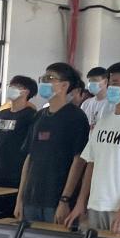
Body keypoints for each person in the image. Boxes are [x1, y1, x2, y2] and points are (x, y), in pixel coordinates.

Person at [66, 61, 120, 234]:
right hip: (96, 204)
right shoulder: (103, 121)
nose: (109, 88)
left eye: (115, 83)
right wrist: (81, 201)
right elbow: (91, 163)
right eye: (109, 83)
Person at [14, 63, 90, 224]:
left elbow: (79, 160)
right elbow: (29, 157)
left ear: (64, 85)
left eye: (50, 78)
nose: (44, 82)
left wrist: (65, 199)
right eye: (43, 78)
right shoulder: (39, 116)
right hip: (31, 198)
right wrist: (20, 198)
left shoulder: (76, 117)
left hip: (56, 199)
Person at [0, 75, 38, 188]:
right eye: (10, 85)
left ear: (26, 92)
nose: (11, 88)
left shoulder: (31, 115)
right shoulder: (2, 113)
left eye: (17, 86)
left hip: (16, 171)